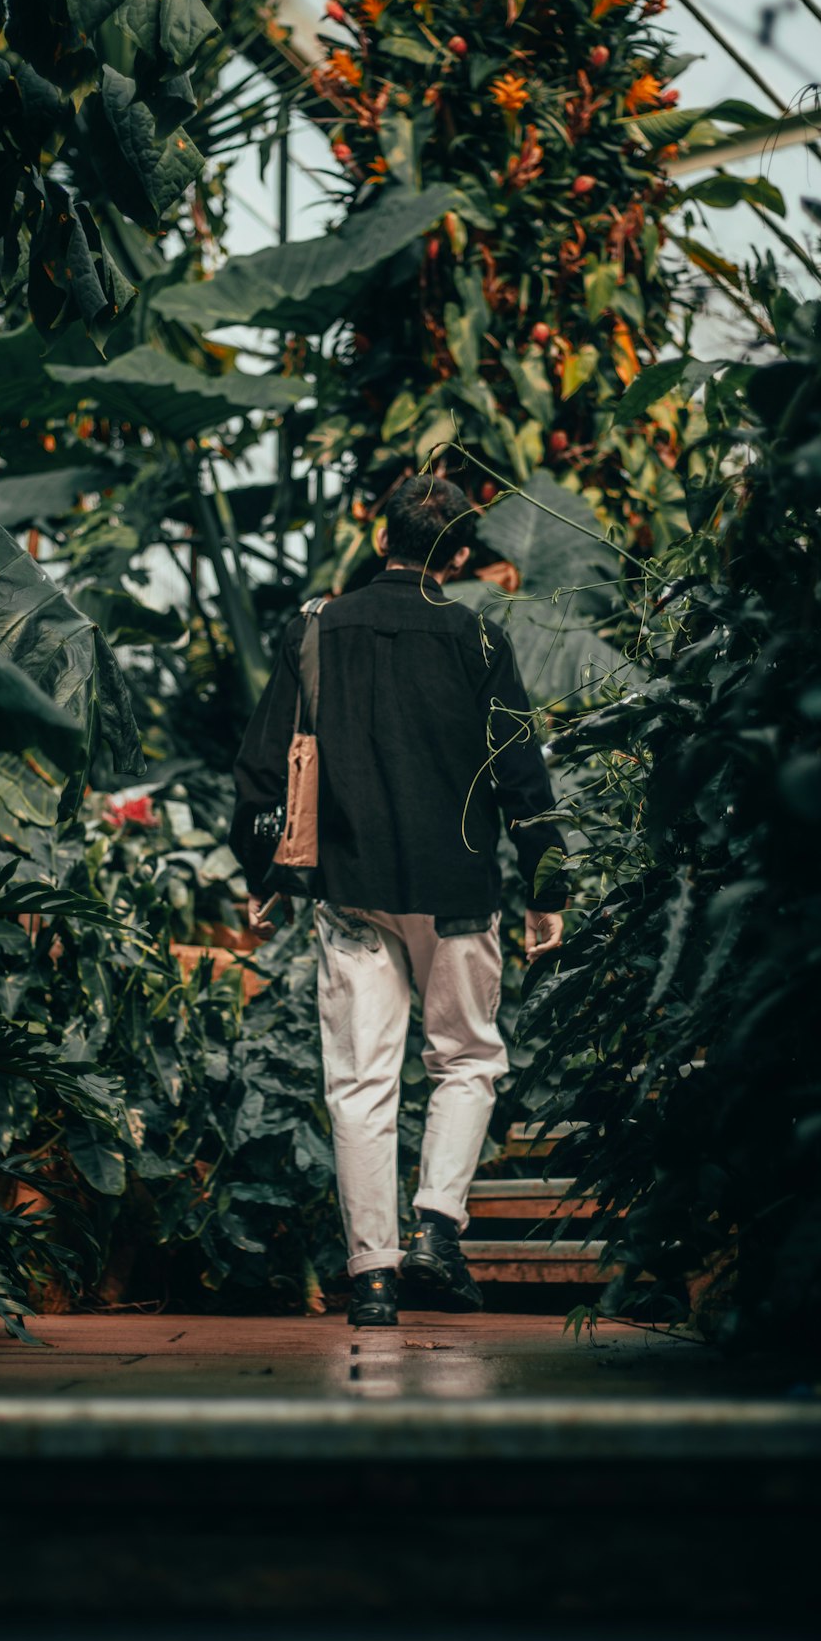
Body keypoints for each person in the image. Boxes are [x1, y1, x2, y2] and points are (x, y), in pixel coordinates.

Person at [230, 474, 567, 1329]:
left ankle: (372, 1278)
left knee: (359, 1085)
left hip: (351, 890)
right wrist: (546, 882)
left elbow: (266, 762)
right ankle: (433, 1230)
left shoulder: (317, 628)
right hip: (456, 890)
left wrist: (261, 872)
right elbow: (520, 772)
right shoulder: (476, 638)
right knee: (467, 1062)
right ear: (456, 556)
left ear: (382, 541)